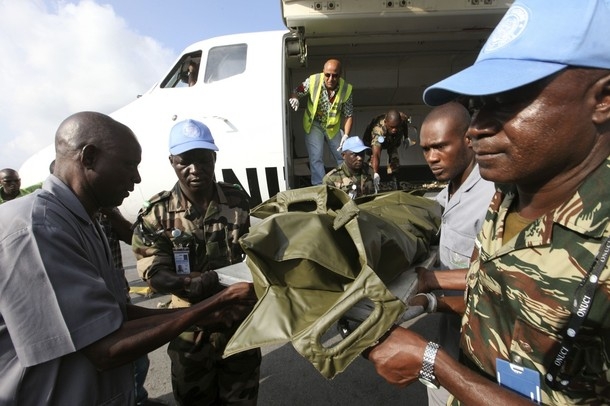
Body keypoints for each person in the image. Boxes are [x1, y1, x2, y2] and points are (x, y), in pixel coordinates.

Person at [367, 1, 610, 405]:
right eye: (479, 104)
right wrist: (429, 299)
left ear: (603, 99)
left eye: (508, 100)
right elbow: (500, 300)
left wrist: (435, 365)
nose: (477, 128)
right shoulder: (509, 196)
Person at [0, 111, 256, 405]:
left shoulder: (86, 222)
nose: (137, 177)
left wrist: (207, 311)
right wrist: (210, 305)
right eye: (129, 165)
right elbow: (105, 346)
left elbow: (115, 314)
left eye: (204, 158)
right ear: (89, 158)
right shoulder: (37, 230)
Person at [132, 118, 261, 406]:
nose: (195, 170)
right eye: (184, 162)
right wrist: (184, 284)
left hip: (239, 326)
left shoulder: (238, 200)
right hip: (190, 329)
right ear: (172, 162)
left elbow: (258, 249)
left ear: (214, 157)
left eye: (203, 160)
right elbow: (153, 270)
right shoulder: (158, 213)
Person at [418, 101, 495, 406]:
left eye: (439, 147)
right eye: (425, 149)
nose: (431, 158)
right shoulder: (450, 187)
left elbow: (500, 276)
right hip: (451, 330)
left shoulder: (493, 195)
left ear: (468, 139)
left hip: (486, 342)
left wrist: (429, 281)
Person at [98, 207, 164, 406]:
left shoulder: (104, 210)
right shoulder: (62, 220)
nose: (135, 178)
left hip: (120, 298)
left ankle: (138, 398)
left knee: (137, 360)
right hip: (94, 307)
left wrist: (112, 214)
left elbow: (132, 238)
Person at [289, 58, 354, 185]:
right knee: (316, 157)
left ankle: (348, 184)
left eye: (334, 76)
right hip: (314, 125)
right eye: (327, 75)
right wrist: (295, 98)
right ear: (323, 72)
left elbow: (348, 115)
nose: (330, 79)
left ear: (339, 75)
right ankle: (320, 187)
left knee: (342, 155)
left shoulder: (346, 89)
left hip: (333, 127)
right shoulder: (313, 81)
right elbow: (296, 91)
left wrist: (346, 135)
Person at [363, 109, 414, 191]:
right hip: (373, 140)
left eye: (396, 127)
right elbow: (377, 154)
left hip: (391, 140)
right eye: (392, 127)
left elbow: (404, 126)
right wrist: (376, 173)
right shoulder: (378, 130)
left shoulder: (402, 119)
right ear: (386, 123)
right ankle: (371, 181)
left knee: (394, 157)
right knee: (372, 159)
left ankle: (395, 181)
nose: (394, 130)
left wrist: (406, 137)